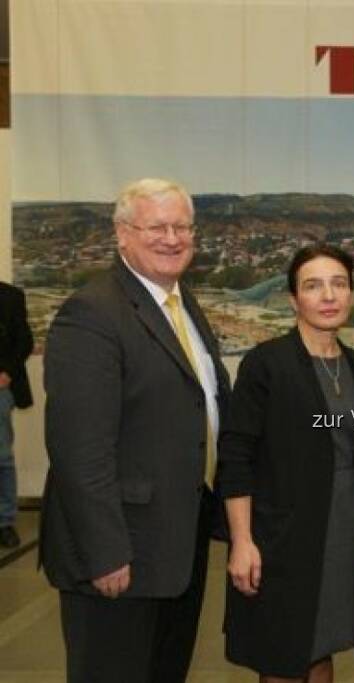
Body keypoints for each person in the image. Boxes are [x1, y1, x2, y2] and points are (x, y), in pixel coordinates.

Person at [40, 178, 231, 682]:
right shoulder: (92, 313)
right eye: (156, 227)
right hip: (120, 554)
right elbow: (79, 450)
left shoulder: (182, 303)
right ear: (122, 234)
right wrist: (104, 553)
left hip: (175, 548)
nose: (172, 238)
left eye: (182, 227)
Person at [219, 244, 354, 682]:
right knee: (283, 653)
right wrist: (242, 541)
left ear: (350, 295)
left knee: (321, 645)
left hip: (339, 532)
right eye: (313, 285)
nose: (328, 295)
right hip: (280, 539)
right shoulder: (266, 364)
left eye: (339, 284)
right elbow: (235, 457)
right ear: (293, 300)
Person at [0, 280, 33, 548]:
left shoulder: (11, 296)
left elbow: (24, 341)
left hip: (0, 388)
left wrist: (6, 373)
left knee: (1, 457)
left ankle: (4, 522)